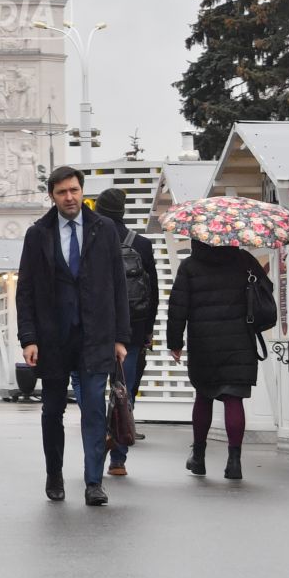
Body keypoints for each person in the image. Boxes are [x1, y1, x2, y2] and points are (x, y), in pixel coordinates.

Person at [16, 167, 128, 505]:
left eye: (74, 190)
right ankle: (54, 475)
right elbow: (26, 291)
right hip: (52, 339)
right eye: (62, 192)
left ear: (82, 191)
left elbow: (118, 285)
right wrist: (28, 338)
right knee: (52, 411)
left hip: (95, 336)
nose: (70, 197)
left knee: (94, 408)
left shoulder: (104, 230)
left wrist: (120, 337)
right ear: (52, 195)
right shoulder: (38, 234)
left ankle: (94, 481)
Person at [168, 239, 264, 481]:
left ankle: (198, 458)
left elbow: (178, 306)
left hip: (204, 341)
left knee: (204, 396)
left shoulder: (190, 266)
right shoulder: (244, 261)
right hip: (239, 340)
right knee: (234, 399)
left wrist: (175, 343)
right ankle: (234, 462)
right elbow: (266, 290)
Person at [98, 188, 158, 478]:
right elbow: (153, 293)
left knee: (95, 390)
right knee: (124, 392)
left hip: (97, 331)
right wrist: (148, 331)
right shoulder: (142, 245)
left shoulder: (92, 239)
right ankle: (118, 459)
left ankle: (96, 448)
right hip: (132, 332)